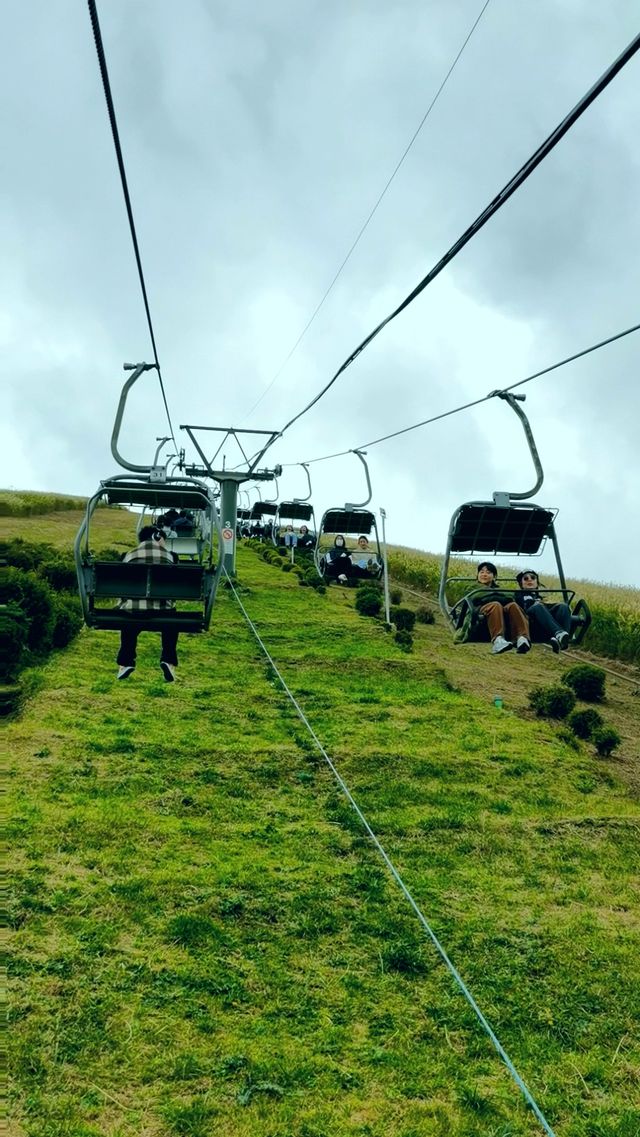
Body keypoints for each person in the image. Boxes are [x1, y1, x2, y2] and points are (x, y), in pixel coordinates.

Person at [116, 526, 180, 682]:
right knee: (172, 620)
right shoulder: (170, 557)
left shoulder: (129, 555)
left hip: (133, 610)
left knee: (129, 621)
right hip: (162, 610)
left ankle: (126, 662)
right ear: (157, 537)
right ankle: (168, 660)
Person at [464, 561, 531, 654]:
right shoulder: (473, 587)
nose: (484, 575)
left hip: (499, 610)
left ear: (494, 576)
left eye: (488, 572)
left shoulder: (499, 588)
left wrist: (493, 596)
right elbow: (477, 597)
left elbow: (510, 597)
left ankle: (522, 638)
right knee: (496, 604)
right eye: (482, 572)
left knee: (513, 605)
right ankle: (498, 640)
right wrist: (498, 597)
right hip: (479, 610)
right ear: (477, 575)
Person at [514, 569, 572, 653]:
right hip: (529, 619)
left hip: (541, 618)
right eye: (525, 579)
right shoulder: (518, 594)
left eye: (533, 578)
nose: (529, 580)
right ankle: (558, 632)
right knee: (538, 606)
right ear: (521, 584)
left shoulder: (539, 597)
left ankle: (562, 640)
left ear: (537, 582)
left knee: (563, 606)